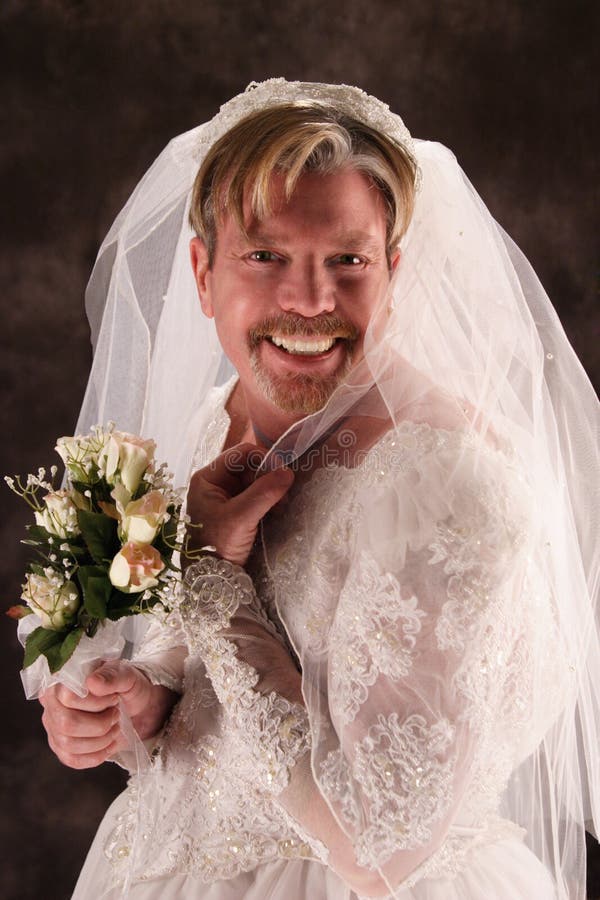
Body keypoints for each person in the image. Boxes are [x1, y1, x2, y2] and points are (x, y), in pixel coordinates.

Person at [38, 80, 599, 899]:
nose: (309, 302)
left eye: (347, 260)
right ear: (202, 271)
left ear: (392, 270)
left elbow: (382, 842)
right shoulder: (216, 417)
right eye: (265, 257)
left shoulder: (441, 480)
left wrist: (203, 580)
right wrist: (142, 700)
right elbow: (210, 682)